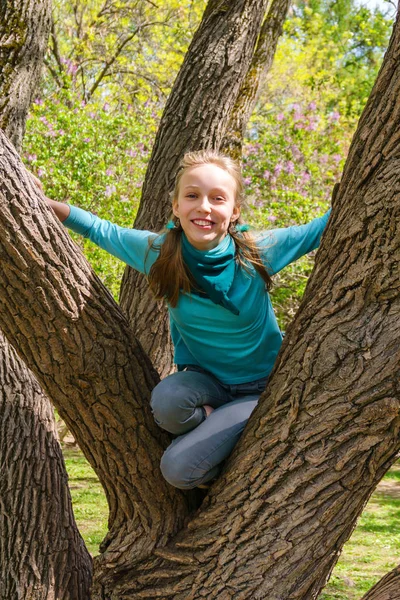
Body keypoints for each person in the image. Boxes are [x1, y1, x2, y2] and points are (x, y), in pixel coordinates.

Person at [45, 150, 331, 490]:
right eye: (192, 196)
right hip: (204, 382)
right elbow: (102, 230)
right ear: (176, 207)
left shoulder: (258, 252)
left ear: (235, 211)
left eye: (218, 198)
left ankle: (223, 443)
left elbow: (319, 229)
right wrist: (42, 201)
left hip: (261, 389)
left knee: (178, 470)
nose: (204, 207)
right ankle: (213, 424)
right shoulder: (161, 253)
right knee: (167, 403)